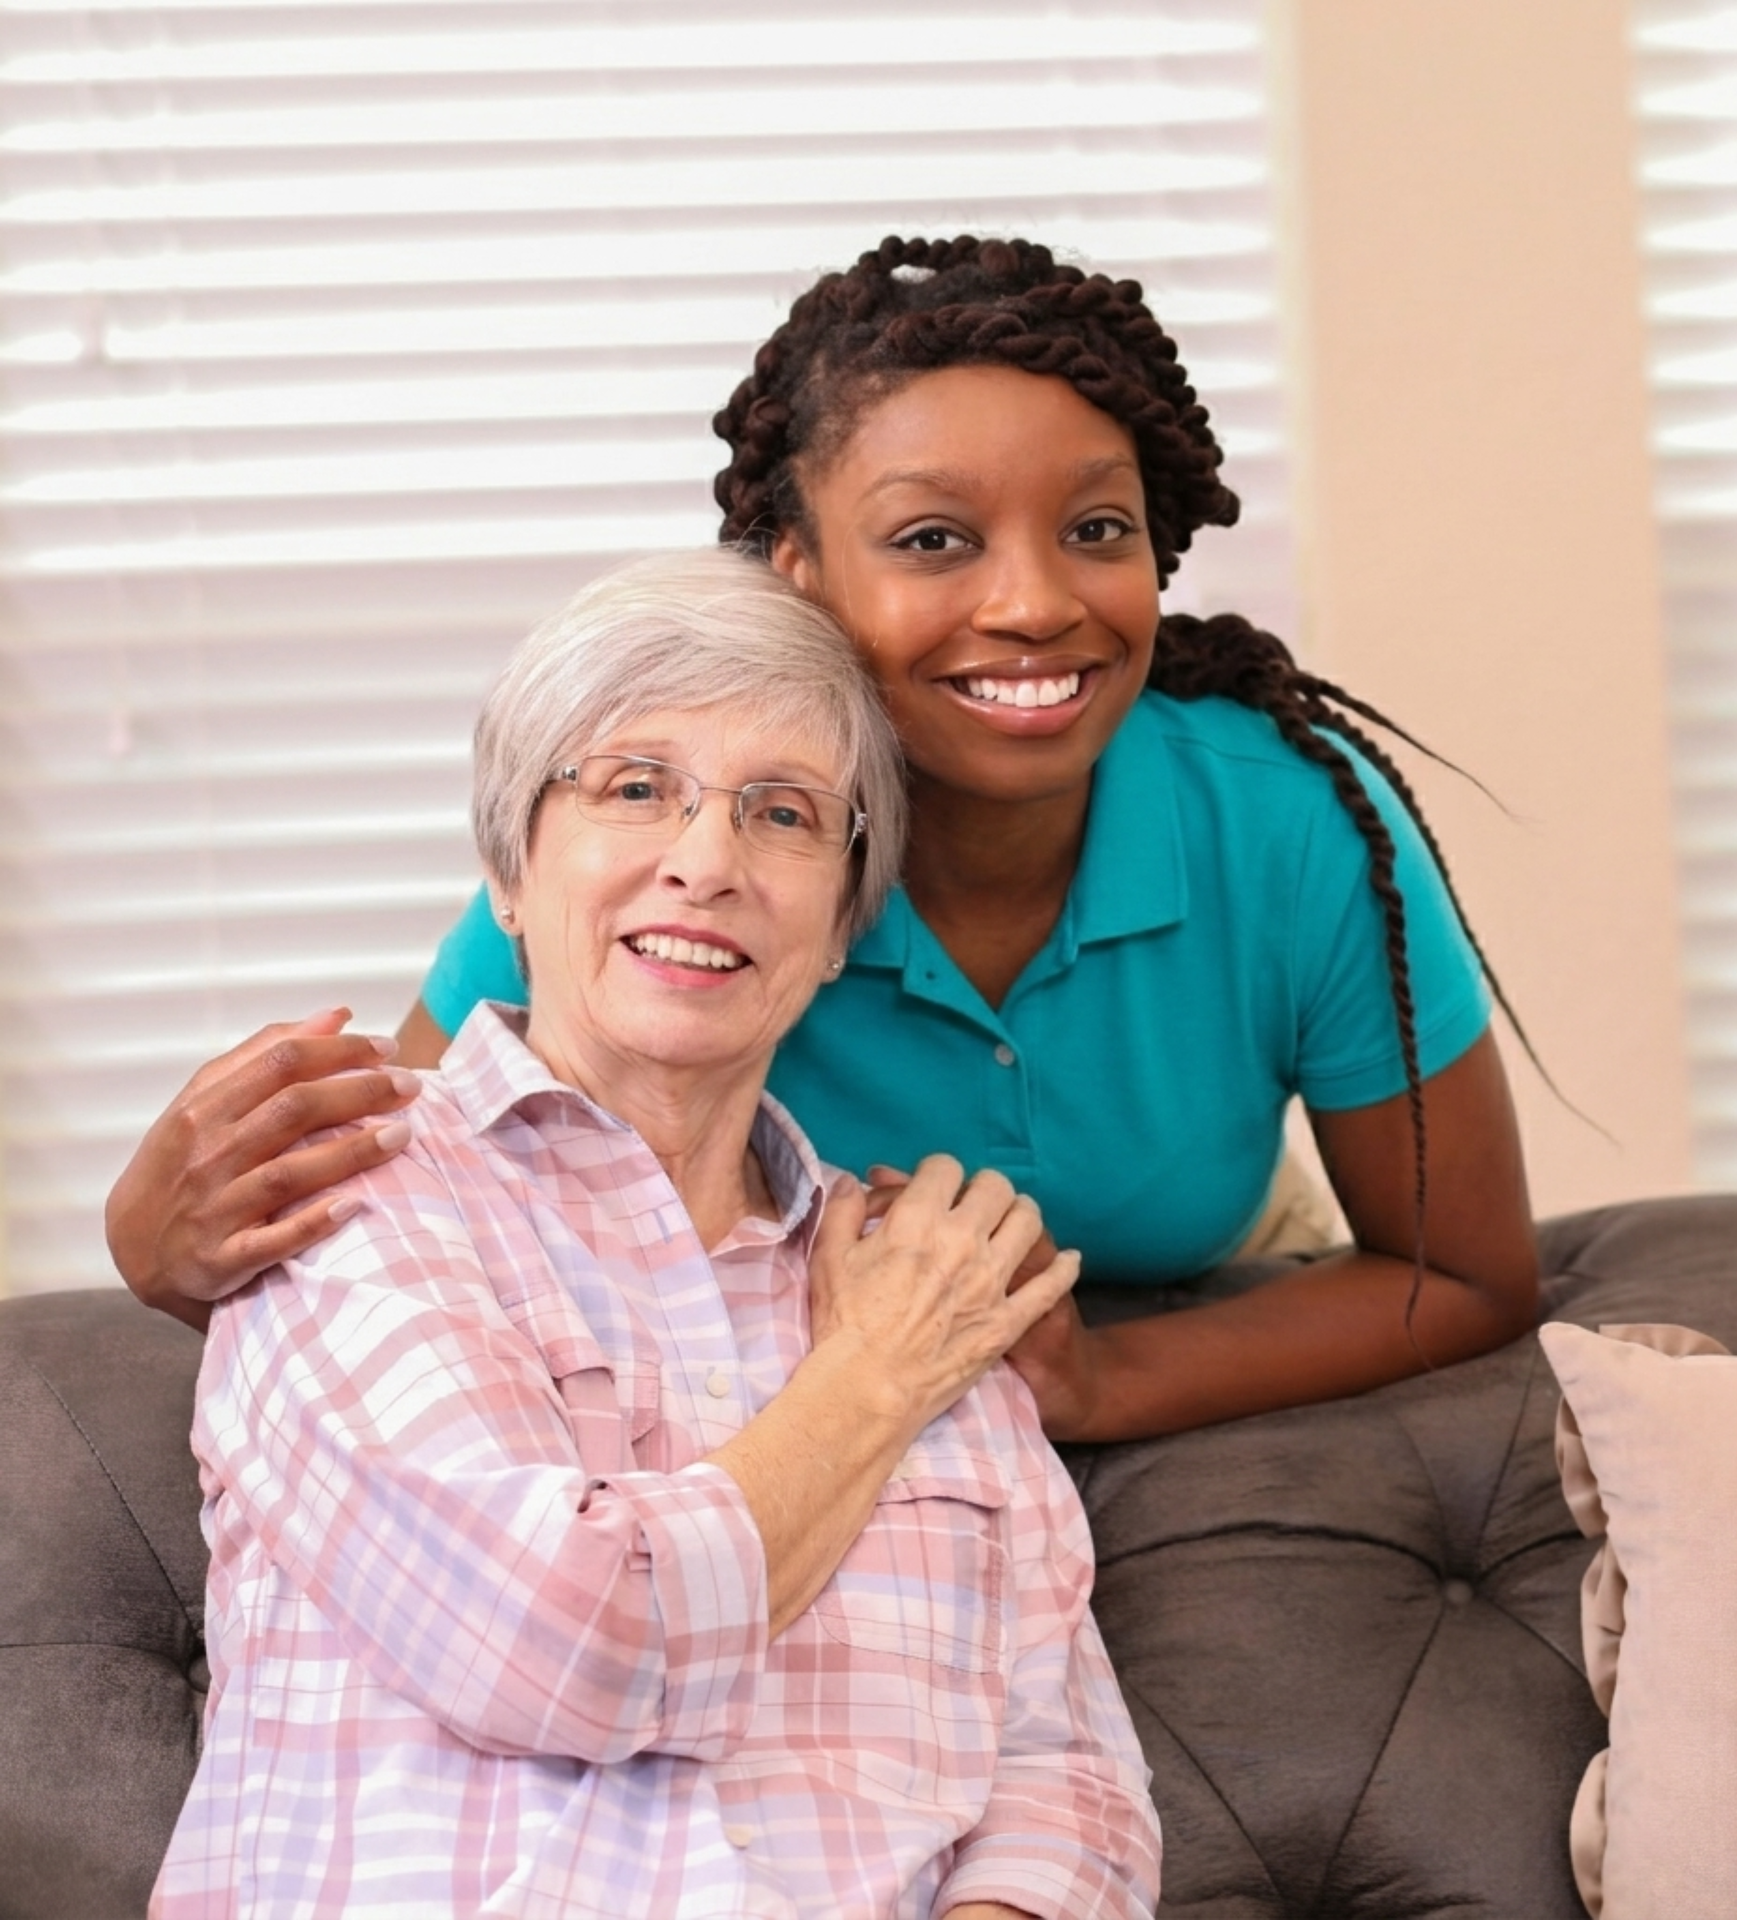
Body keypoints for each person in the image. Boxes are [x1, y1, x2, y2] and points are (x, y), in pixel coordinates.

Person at [107, 234, 1539, 1441]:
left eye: (1097, 529)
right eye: (934, 541)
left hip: (1186, 1315)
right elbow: (406, 1221)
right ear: (795, 572)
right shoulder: (665, 860)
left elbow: (1464, 1276)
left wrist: (1100, 1378)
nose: (1038, 602)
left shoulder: (1286, 818)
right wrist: (154, 1246)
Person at [150, 547, 1159, 1920]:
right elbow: (575, 1642)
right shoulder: (356, 1204)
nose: (707, 863)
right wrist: (876, 1379)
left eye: (786, 815)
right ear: (510, 873)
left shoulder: (922, 1277)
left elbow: (1072, 1784)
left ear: (840, 923)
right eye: (636, 790)